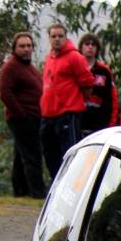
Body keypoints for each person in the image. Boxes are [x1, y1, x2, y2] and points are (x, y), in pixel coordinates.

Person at [40, 23, 93, 179]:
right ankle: (56, 183)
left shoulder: (75, 57)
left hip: (68, 113)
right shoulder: (49, 58)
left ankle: (72, 184)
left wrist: (76, 102)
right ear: (49, 38)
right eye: (53, 36)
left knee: (69, 152)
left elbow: (87, 83)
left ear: (66, 37)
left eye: (60, 36)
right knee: (50, 153)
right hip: (48, 114)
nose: (57, 39)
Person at [0, 32, 46, 199]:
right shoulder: (10, 67)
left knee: (21, 156)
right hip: (22, 119)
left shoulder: (28, 66)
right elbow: (5, 92)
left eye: (29, 46)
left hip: (34, 117)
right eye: (22, 46)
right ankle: (38, 193)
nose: (26, 49)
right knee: (32, 155)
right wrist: (21, 113)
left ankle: (20, 190)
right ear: (15, 48)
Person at [78, 33, 118, 136]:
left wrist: (111, 125)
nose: (90, 47)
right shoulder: (75, 69)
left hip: (99, 127)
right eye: (87, 44)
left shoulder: (104, 71)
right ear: (81, 47)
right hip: (77, 123)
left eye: (93, 45)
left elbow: (112, 99)